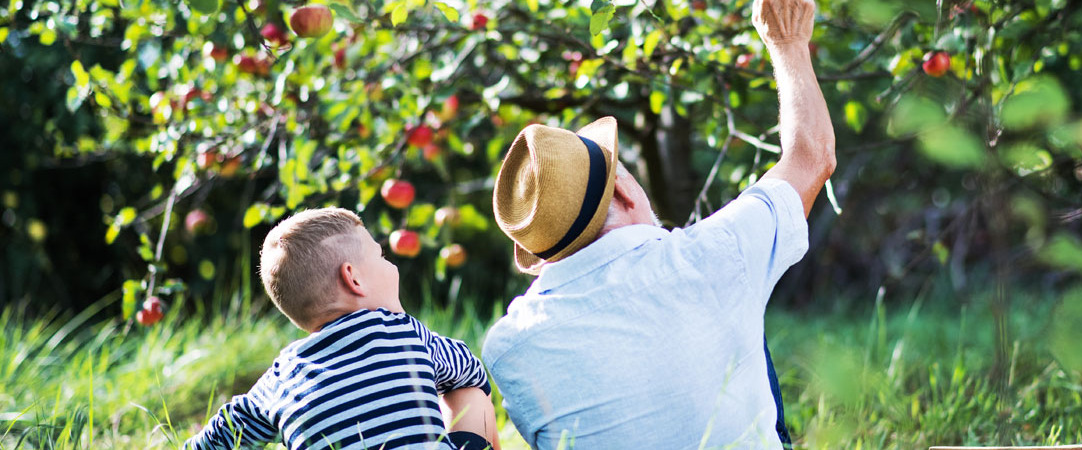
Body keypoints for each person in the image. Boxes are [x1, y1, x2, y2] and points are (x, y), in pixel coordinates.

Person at [481, 0, 834, 447]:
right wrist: (788, 42)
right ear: (624, 191)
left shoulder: (508, 348)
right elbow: (812, 156)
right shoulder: (713, 254)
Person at [185, 207, 501, 450]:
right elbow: (469, 370)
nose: (391, 265)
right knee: (471, 395)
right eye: (381, 256)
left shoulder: (280, 379)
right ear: (353, 278)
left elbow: (219, 437)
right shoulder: (403, 332)